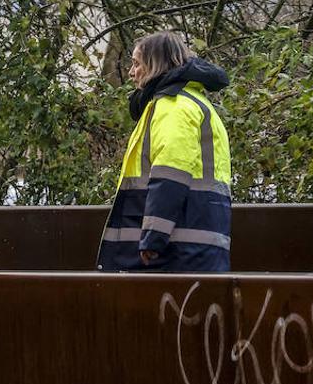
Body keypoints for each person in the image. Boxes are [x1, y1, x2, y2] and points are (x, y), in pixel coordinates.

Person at [98, 31, 231, 272]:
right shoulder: (187, 101)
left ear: (154, 65)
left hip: (174, 251)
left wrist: (153, 238)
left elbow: (171, 175)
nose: (131, 72)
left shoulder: (173, 106)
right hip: (190, 243)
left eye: (137, 63)